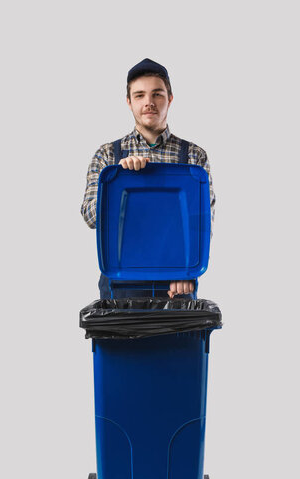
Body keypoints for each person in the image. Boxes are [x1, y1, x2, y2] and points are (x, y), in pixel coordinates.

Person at [81, 58, 216, 300]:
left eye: (157, 94)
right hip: (120, 285)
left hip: (177, 285)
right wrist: (119, 182)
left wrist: (185, 272)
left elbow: (202, 224)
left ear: (170, 99)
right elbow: (90, 217)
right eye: (140, 95)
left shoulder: (194, 156)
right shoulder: (108, 155)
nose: (149, 103)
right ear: (129, 102)